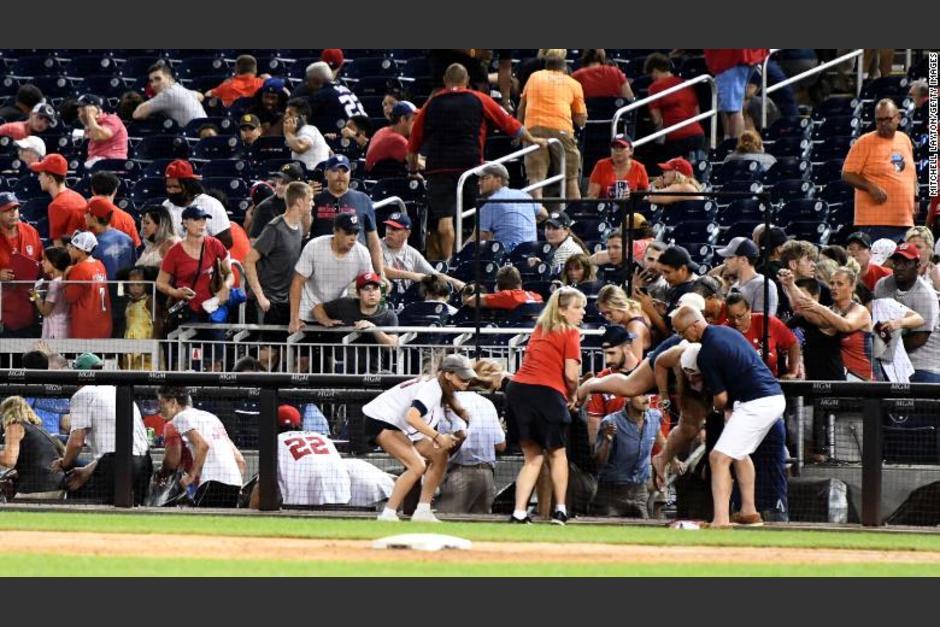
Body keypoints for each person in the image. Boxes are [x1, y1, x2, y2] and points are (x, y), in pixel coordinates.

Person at [407, 63, 546, 261]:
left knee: (444, 222)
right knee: (477, 217)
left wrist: (413, 169)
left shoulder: (431, 104)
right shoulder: (479, 98)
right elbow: (509, 123)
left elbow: (413, 144)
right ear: (467, 81)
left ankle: (448, 262)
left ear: (445, 82)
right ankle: (473, 258)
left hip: (438, 168)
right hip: (470, 167)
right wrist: (534, 140)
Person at [670, 305, 785, 528]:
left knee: (718, 458)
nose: (682, 336)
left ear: (694, 326)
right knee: (739, 453)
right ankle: (749, 512)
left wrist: (710, 408)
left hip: (756, 402)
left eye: (682, 331)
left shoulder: (707, 352)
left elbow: (721, 399)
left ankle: (721, 521)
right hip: (770, 398)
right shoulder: (726, 331)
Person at [506, 286, 587, 524]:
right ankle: (560, 510)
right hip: (546, 393)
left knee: (532, 457)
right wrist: (573, 395)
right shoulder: (570, 332)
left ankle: (519, 512)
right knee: (557, 453)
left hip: (518, 390)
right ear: (562, 311)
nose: (582, 312)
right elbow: (571, 375)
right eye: (577, 307)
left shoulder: (539, 329)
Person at [363, 354, 475, 522]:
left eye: (468, 379)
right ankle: (388, 514)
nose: (466, 383)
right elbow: (412, 417)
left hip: (400, 425)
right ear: (448, 374)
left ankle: (423, 511)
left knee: (440, 455)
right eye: (462, 378)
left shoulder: (441, 387)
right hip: (381, 421)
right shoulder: (432, 389)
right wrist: (438, 437)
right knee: (417, 466)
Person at [51, 353, 152, 505]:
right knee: (131, 512)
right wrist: (88, 470)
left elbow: (77, 442)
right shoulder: (115, 389)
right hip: (145, 462)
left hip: (117, 463)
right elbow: (118, 448)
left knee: (97, 508)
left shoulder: (83, 393)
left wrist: (64, 463)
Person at [435, 360, 508, 514]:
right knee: (479, 528)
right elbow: (500, 445)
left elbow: (446, 444)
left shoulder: (450, 401)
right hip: (486, 476)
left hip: (459, 472)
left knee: (447, 525)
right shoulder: (487, 403)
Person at [156, 385, 246, 507]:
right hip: (235, 481)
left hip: (214, 480)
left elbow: (203, 445)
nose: (160, 409)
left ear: (173, 402)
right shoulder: (210, 417)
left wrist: (191, 476)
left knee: (199, 521)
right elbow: (240, 460)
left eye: (162, 403)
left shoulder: (180, 417)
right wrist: (239, 484)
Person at [156, 205, 234, 345]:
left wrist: (226, 287)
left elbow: (230, 273)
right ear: (185, 222)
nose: (202, 223)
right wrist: (176, 292)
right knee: (190, 355)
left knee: (215, 354)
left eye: (204, 219)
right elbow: (161, 283)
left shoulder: (214, 244)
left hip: (212, 309)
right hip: (188, 310)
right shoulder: (175, 252)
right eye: (197, 219)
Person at [842, 98, 918, 242]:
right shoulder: (864, 142)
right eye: (879, 120)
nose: (883, 124)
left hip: (904, 220)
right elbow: (847, 174)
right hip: (876, 222)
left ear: (898, 118)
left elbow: (911, 172)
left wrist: (916, 197)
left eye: (888, 119)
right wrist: (870, 187)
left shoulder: (905, 139)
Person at [780, 266, 873, 381]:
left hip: (859, 380)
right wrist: (790, 285)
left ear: (852, 286)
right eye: (832, 283)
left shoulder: (860, 311)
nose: (834, 287)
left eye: (840, 284)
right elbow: (807, 310)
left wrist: (820, 308)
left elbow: (846, 325)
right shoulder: (828, 311)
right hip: (833, 377)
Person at [249, 404, 351, 508]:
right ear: (299, 424)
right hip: (341, 500)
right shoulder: (323, 438)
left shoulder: (276, 442)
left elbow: (261, 489)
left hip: (299, 506)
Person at [519, 49, 587, 200]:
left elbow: (521, 107)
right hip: (561, 129)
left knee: (536, 180)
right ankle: (574, 216)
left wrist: (520, 133)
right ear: (564, 68)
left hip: (533, 130)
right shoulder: (573, 83)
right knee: (571, 178)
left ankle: (537, 218)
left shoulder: (534, 77)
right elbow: (581, 119)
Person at [289, 214, 373, 334]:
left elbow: (369, 284)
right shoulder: (314, 246)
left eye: (356, 232)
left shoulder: (362, 253)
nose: (353, 238)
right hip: (307, 311)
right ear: (336, 231)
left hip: (337, 313)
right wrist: (294, 318)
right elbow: (297, 282)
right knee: (305, 352)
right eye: (348, 232)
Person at [244, 181, 312, 327]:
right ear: (300, 202)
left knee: (280, 348)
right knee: (266, 349)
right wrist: (260, 297)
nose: (312, 204)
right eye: (310, 200)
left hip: (284, 301)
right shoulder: (275, 228)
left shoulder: (298, 227)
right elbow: (249, 261)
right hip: (267, 301)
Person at [873, 243, 940, 383]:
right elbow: (877, 320)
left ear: (917, 265)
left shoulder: (925, 294)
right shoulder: (882, 285)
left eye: (906, 262)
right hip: (888, 356)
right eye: (896, 262)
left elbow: (919, 338)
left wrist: (890, 349)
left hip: (922, 362)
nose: (899, 267)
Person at [309, 155, 384, 278]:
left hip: (355, 267)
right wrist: (307, 199)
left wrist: (380, 273)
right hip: (322, 266)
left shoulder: (363, 199)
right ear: (326, 173)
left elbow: (373, 242)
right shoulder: (316, 198)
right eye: (335, 171)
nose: (340, 175)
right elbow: (303, 230)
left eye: (344, 171)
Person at [591, 393, 664, 518]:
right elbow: (598, 462)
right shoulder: (611, 422)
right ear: (627, 397)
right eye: (641, 395)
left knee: (643, 532)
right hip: (612, 490)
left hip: (640, 490)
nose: (647, 399)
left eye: (648, 394)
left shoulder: (655, 417)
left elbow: (660, 438)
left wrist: (673, 460)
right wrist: (607, 440)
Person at [470, 162, 548, 252]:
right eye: (479, 179)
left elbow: (478, 238)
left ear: (498, 180)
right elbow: (544, 214)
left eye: (484, 178)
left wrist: (458, 253)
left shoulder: (489, 204)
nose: (479, 183)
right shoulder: (523, 195)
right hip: (533, 253)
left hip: (508, 258)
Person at [0, 396, 66, 500]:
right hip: (57, 485)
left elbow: (9, 460)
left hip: (36, 487)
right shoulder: (41, 431)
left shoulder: (15, 426)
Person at [644, 52, 707, 161]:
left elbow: (657, 120)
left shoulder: (654, 87)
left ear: (654, 71)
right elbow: (697, 112)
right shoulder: (685, 83)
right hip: (697, 135)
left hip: (676, 138)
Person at [585, 325, 641, 445]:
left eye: (611, 353)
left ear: (627, 348)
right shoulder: (602, 379)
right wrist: (596, 452)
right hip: (616, 450)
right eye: (605, 353)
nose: (607, 360)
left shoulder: (647, 374)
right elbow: (594, 420)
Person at [313, 271, 399, 348]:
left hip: (373, 365)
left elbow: (392, 346)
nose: (372, 293)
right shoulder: (344, 304)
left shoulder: (388, 315)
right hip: (342, 362)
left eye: (376, 288)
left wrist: (374, 329)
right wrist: (325, 320)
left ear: (381, 292)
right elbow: (318, 308)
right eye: (367, 289)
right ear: (358, 293)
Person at [381, 211, 464, 291]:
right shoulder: (376, 248)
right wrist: (412, 275)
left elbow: (432, 273)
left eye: (395, 229)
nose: (389, 232)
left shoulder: (412, 253)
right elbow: (381, 270)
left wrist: (455, 282)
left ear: (407, 233)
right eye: (388, 227)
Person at [724, 292, 800, 379]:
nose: (736, 321)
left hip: (769, 381)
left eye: (740, 316)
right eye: (731, 317)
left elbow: (792, 343)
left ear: (749, 311)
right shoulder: (724, 331)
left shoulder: (768, 322)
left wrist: (793, 372)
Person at [162, 160, 233, 249]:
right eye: (169, 187)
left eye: (176, 187)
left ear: (188, 186)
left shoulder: (210, 204)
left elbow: (226, 242)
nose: (171, 191)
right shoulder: (166, 206)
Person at [0, 192, 43, 338]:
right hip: (3, 313)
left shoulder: (31, 232)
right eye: (7, 210)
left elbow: (42, 263)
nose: (13, 213)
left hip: (28, 310)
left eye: (15, 209)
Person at [704, 49, 770, 141]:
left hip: (731, 58)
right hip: (747, 54)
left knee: (733, 111)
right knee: (736, 106)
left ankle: (737, 150)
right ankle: (739, 146)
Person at [290, 61, 366, 134]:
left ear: (315, 81)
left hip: (349, 139)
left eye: (308, 80)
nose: (306, 84)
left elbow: (298, 111)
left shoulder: (322, 95)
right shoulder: (344, 88)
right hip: (363, 133)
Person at [29, 153, 86, 247]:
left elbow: (59, 247)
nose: (39, 178)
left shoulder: (57, 205)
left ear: (50, 179)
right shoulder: (78, 197)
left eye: (41, 174)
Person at [63, 231, 112, 339]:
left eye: (73, 247)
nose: (70, 249)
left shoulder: (79, 269)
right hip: (103, 322)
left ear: (82, 250)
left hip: (86, 326)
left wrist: (65, 275)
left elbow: (68, 297)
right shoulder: (100, 264)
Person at [716, 236, 778, 316]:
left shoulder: (764, 285)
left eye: (729, 257)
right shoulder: (734, 286)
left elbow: (763, 322)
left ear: (743, 260)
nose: (725, 261)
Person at [133, 60, 206, 127]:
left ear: (169, 78)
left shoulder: (167, 94)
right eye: (151, 81)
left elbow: (137, 114)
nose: (154, 84)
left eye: (158, 79)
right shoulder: (180, 89)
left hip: (194, 134)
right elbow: (201, 96)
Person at [248, 162, 311, 239]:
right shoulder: (264, 208)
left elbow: (304, 232)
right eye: (278, 182)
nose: (278, 187)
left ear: (297, 185)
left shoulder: (305, 203)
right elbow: (254, 241)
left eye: (284, 183)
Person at [84, 197, 136, 280]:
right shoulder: (127, 239)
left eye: (86, 213)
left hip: (104, 290)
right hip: (125, 289)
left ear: (94, 218)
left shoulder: (93, 244)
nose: (84, 216)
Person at [596, 285, 651, 362]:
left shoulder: (635, 327)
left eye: (609, 312)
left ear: (620, 306)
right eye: (603, 314)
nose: (607, 318)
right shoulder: (634, 311)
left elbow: (635, 363)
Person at [586, 135, 650, 200]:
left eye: (622, 147)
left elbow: (645, 195)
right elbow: (592, 195)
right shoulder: (601, 165)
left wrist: (632, 195)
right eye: (615, 148)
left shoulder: (639, 168)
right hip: (605, 207)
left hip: (631, 208)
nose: (618, 151)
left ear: (631, 150)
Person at [89, 172, 142, 247]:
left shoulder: (84, 214)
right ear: (115, 191)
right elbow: (135, 247)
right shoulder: (127, 219)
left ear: (92, 190)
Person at [75, 93, 128, 168]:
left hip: (112, 164)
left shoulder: (112, 119)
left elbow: (99, 136)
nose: (80, 115)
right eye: (79, 111)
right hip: (97, 164)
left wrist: (90, 116)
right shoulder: (91, 126)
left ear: (96, 110)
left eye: (84, 110)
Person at [365, 101, 417, 175]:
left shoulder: (383, 130)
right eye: (413, 120)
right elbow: (418, 164)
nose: (415, 124)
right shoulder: (396, 140)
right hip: (382, 181)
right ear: (402, 119)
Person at [31, 246, 71, 339]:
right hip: (65, 329)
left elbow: (45, 311)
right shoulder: (65, 280)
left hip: (54, 333)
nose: (42, 262)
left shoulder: (54, 284)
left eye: (45, 260)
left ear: (55, 262)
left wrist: (34, 294)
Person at [461, 265, 543, 311]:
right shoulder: (537, 297)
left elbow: (472, 301)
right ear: (520, 282)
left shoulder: (507, 296)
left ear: (498, 286)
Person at [283, 97, 331, 171]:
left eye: (290, 114)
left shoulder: (308, 129)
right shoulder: (296, 134)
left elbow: (300, 147)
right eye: (285, 113)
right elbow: (330, 153)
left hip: (313, 176)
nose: (285, 117)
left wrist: (288, 133)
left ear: (303, 117)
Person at [123, 266, 155, 370]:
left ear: (146, 285)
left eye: (139, 285)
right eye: (131, 285)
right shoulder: (128, 302)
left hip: (146, 343)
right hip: (130, 343)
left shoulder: (149, 301)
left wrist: (153, 344)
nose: (135, 288)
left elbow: (158, 324)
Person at [136, 205, 179, 270]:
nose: (143, 227)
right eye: (143, 222)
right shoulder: (150, 245)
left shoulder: (172, 242)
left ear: (160, 225)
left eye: (147, 223)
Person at [904, 226, 940, 292]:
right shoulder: (899, 270)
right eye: (910, 247)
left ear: (929, 249)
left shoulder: (938, 270)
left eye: (918, 247)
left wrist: (937, 281)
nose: (914, 250)